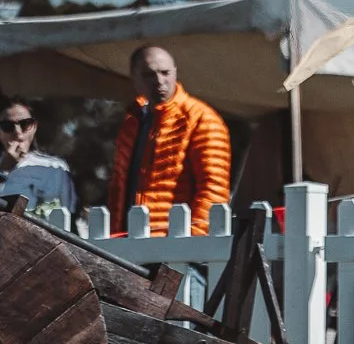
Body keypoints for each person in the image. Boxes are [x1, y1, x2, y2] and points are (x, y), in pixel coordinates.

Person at [107, 46, 232, 236]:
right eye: (149, 74)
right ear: (135, 78)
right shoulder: (132, 122)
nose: (159, 81)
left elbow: (213, 189)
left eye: (165, 73)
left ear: (175, 73)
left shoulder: (201, 118)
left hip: (179, 247)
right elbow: (118, 190)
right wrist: (115, 235)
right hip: (130, 243)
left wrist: (194, 240)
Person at [0, 98, 77, 221]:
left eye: (25, 124)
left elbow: (69, 215)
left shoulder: (55, 168)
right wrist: (4, 168)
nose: (18, 133)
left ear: (34, 127)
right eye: (7, 126)